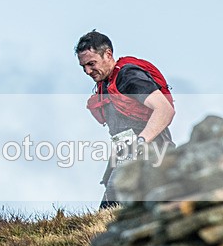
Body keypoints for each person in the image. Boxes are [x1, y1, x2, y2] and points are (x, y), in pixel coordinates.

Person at [75, 30, 175, 208]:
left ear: (108, 54)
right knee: (112, 206)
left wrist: (140, 142)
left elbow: (165, 110)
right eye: (83, 67)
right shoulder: (105, 82)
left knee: (112, 204)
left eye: (91, 64)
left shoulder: (128, 76)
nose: (87, 71)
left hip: (151, 152)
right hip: (126, 152)